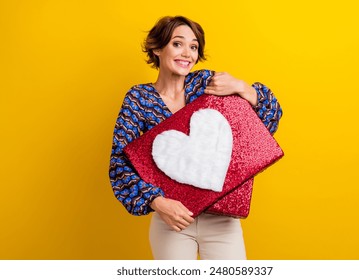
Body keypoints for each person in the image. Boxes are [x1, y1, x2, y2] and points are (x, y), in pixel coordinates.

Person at [109, 15, 282, 260]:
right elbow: (119, 164)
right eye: (177, 44)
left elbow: (265, 122)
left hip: (223, 220)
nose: (187, 54)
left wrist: (243, 87)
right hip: (172, 223)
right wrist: (158, 202)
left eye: (193, 47)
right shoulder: (139, 99)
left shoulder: (207, 84)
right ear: (158, 48)